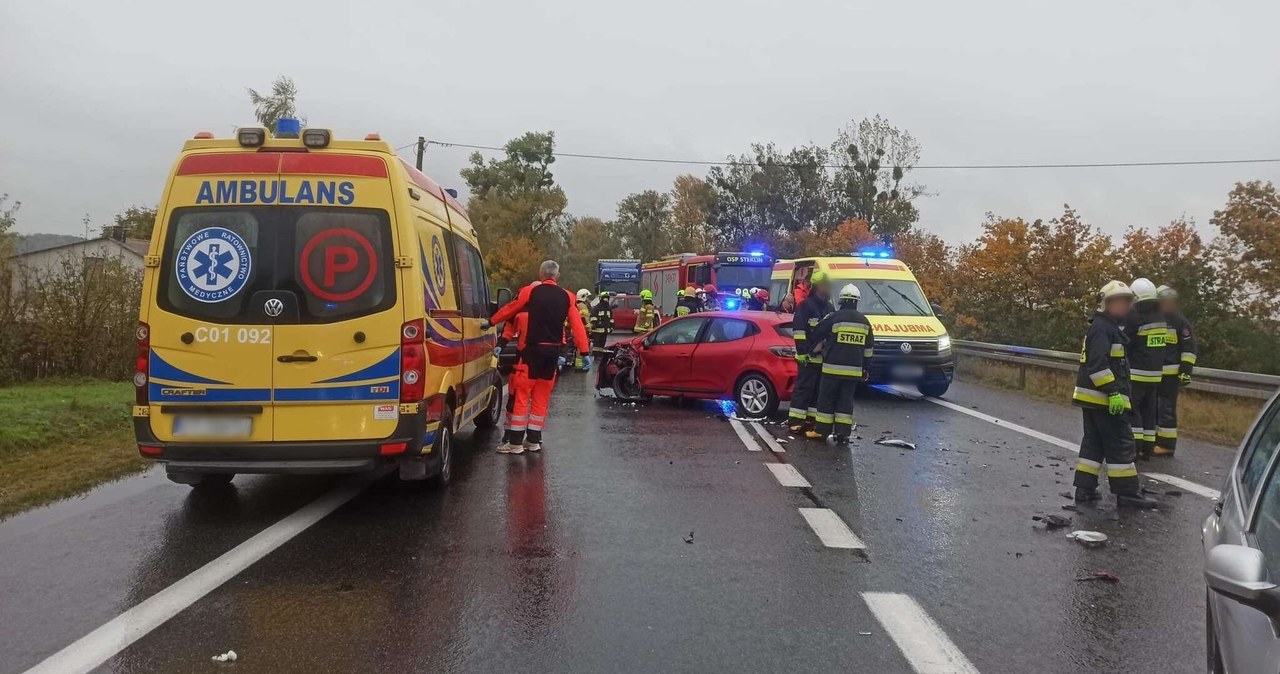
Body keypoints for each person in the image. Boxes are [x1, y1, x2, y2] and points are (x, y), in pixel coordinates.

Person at [487, 261, 590, 454]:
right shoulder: (568, 297)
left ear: (541, 274)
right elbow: (577, 326)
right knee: (541, 398)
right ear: (557, 276)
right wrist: (584, 352)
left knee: (522, 396)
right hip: (552, 354)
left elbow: (511, 309)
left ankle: (516, 443)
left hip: (531, 352)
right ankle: (533, 441)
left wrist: (491, 321)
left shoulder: (529, 292)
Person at [1071, 280, 1157, 508]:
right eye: (1118, 302)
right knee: (1121, 443)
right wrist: (1114, 393)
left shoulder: (1106, 327)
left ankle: (1084, 489)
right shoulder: (1103, 329)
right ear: (1106, 304)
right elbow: (1098, 365)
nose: (1123, 307)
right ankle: (1127, 493)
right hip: (1104, 400)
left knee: (1094, 444)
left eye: (1126, 302)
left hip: (1094, 400)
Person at [808, 284, 874, 443]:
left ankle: (821, 431)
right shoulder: (864, 322)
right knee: (845, 403)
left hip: (832, 369)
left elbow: (817, 333)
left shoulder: (834, 318)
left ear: (842, 300)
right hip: (853, 372)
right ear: (856, 301)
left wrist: (812, 350)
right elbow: (869, 349)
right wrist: (865, 368)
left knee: (826, 400)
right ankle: (843, 434)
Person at [1122, 278, 1167, 461]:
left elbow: (1125, 343)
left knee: (1133, 411)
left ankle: (1134, 447)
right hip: (1155, 375)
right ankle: (1148, 449)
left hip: (1136, 374)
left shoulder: (1134, 318)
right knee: (1149, 412)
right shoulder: (1160, 319)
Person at [1154, 285, 1197, 457]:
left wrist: (1186, 370)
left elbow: (1189, 348)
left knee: (1166, 409)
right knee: (1153, 409)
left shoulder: (1180, 323)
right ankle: (1154, 441)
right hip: (1153, 374)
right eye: (1166, 302)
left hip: (1170, 376)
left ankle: (1167, 445)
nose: (1169, 306)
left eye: (1171, 302)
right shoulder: (1154, 320)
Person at [789, 271, 834, 435]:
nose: (828, 287)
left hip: (824, 358)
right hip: (808, 357)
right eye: (825, 284)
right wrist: (804, 351)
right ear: (817, 286)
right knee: (803, 389)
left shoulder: (829, 307)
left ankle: (811, 421)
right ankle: (795, 421)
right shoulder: (806, 305)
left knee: (818, 391)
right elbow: (799, 330)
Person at [589, 291, 614, 358]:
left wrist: (611, 327)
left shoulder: (609, 309)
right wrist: (594, 324)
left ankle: (600, 355)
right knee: (597, 343)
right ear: (601, 298)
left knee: (602, 343)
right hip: (597, 330)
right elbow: (593, 317)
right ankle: (596, 355)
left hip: (605, 330)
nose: (606, 300)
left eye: (607, 298)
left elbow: (611, 319)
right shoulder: (596, 308)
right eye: (604, 298)